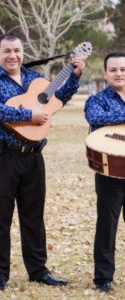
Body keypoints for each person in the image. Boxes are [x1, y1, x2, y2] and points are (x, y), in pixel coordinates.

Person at [0, 32, 86, 290]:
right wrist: (29, 115)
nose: (12, 55)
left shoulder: (34, 79)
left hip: (33, 157)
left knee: (33, 217)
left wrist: (75, 76)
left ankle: (38, 270)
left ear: (22, 52)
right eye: (7, 51)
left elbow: (57, 99)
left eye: (16, 50)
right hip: (2, 156)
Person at [84, 51, 125, 293]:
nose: (119, 73)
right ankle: (103, 278)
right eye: (114, 70)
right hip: (111, 172)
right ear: (105, 73)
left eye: (123, 69)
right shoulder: (95, 100)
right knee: (107, 225)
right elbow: (96, 118)